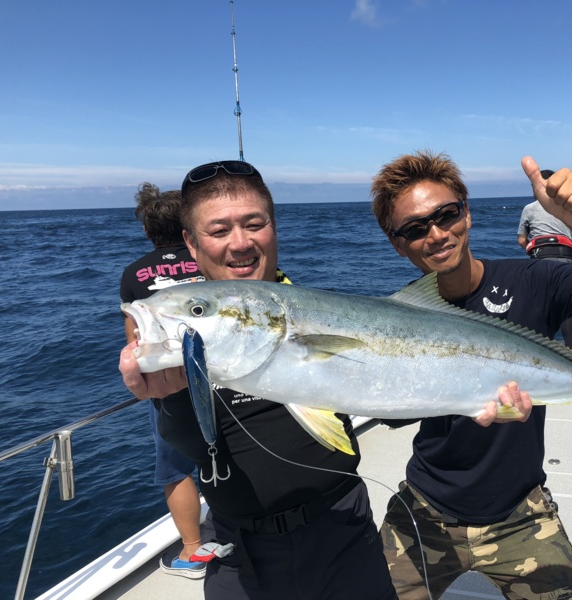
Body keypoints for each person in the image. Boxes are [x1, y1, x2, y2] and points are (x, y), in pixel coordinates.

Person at [370, 150, 572, 600]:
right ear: (397, 243)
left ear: (467, 210)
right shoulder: (397, 316)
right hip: (424, 509)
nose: (437, 234)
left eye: (447, 214)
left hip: (522, 512)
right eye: (415, 228)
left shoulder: (535, 281)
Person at [119, 161, 397, 600]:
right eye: (219, 230)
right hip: (242, 552)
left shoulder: (320, 310)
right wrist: (170, 398)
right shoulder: (191, 337)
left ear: (273, 226)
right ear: (190, 242)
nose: (241, 243)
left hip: (345, 531)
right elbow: (194, 452)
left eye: (255, 224)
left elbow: (391, 395)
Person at [120, 183, 206, 579]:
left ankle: (193, 549)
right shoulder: (206, 260)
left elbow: (136, 338)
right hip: (221, 377)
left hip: (171, 386)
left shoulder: (135, 272)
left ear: (147, 230)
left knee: (176, 469)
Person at [517, 169, 572, 348]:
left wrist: (530, 247)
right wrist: (568, 244)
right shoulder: (567, 208)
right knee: (565, 310)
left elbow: (521, 240)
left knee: (541, 307)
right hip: (567, 260)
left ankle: (544, 352)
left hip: (541, 260)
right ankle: (570, 351)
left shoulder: (529, 209)